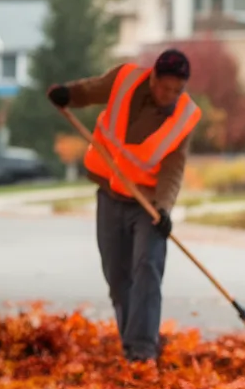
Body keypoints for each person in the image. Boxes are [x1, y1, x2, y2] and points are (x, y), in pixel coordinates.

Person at [47, 49, 200, 363]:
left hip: (147, 204)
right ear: (153, 77)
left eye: (177, 90)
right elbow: (91, 90)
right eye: (165, 87)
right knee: (116, 274)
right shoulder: (125, 79)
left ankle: (142, 348)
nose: (169, 95)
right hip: (110, 193)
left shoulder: (184, 116)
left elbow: (174, 167)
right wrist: (68, 95)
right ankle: (132, 340)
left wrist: (164, 209)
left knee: (147, 268)